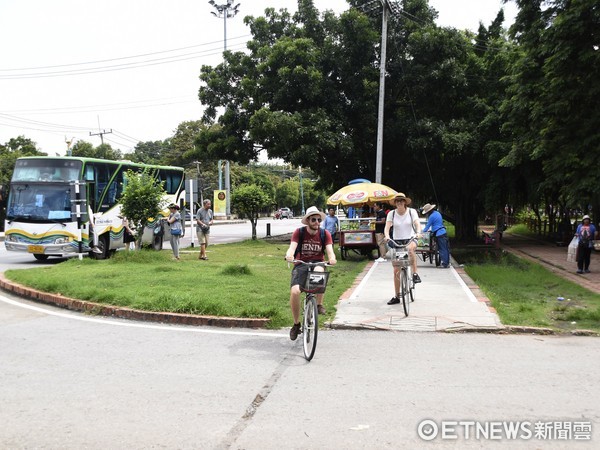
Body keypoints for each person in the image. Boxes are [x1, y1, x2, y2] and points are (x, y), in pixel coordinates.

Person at [285, 206, 337, 341]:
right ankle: (296, 324)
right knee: (295, 292)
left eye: (319, 220)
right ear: (308, 220)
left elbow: (330, 251)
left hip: (317, 263)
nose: (317, 222)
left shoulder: (324, 234)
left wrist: (332, 258)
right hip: (301, 264)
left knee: (319, 272)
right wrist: (289, 255)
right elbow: (292, 248)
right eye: (313, 219)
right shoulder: (299, 232)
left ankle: (318, 304)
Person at [383, 193, 422, 305]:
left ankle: (415, 274)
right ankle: (397, 296)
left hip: (410, 238)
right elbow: (387, 227)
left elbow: (417, 224)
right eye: (397, 201)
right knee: (396, 270)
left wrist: (418, 232)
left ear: (405, 202)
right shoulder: (392, 214)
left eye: (401, 200)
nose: (399, 202)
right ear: (395, 203)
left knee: (410, 249)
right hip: (397, 241)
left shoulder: (411, 212)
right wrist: (387, 237)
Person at [421, 203, 450, 268]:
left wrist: (421, 233)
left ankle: (445, 264)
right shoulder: (437, 213)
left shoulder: (431, 216)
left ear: (429, 211)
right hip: (443, 231)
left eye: (427, 212)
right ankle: (447, 263)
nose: (427, 214)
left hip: (439, 234)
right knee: (445, 248)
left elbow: (427, 226)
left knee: (442, 249)